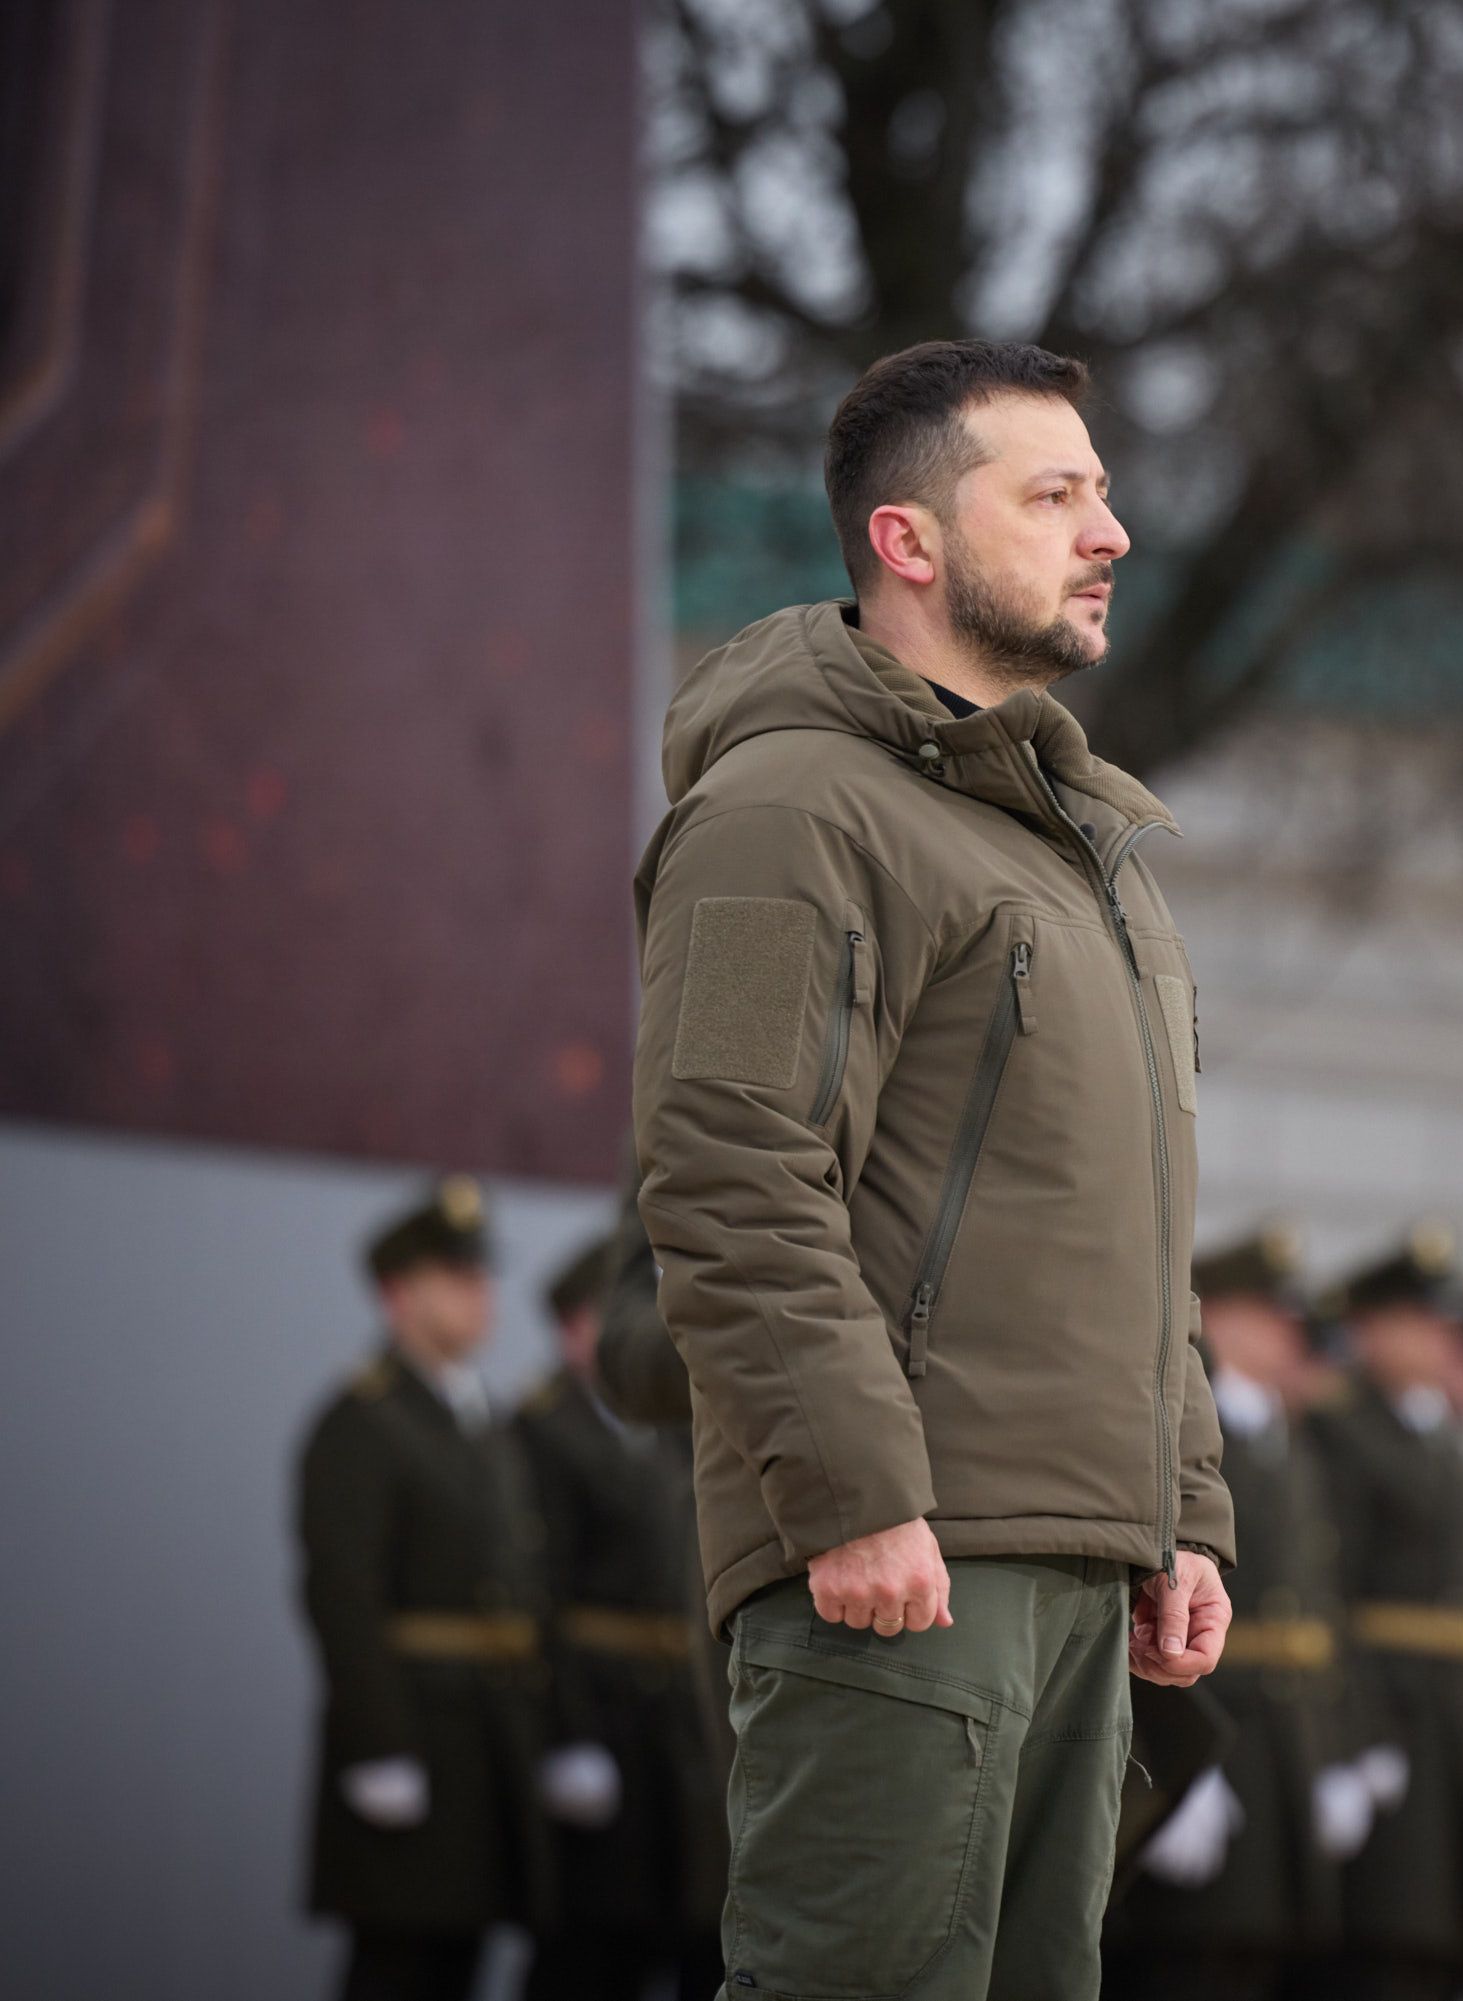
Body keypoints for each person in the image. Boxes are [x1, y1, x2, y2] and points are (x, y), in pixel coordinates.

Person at [632, 337, 1235, 2000]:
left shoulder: (1074, 850)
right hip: (902, 1561)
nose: (1109, 533)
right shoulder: (792, 807)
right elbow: (730, 1170)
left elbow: (1134, 1224)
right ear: (910, 542)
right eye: (1056, 496)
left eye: (1104, 494)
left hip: (1068, 1563)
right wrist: (848, 1490)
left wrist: (1181, 1511)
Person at [294, 1179, 566, 2001]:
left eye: (480, 1276)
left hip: (488, 1744)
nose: (479, 1295)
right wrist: (380, 1746)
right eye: (455, 1276)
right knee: (399, 1969)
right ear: (396, 1292)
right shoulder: (363, 1422)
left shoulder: (479, 1422)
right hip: (415, 1736)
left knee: (460, 1964)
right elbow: (342, 1597)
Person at [1109, 1226, 1363, 2000]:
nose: (1294, 1341)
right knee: (1182, 1961)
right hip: (1205, 1724)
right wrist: (1156, 1759)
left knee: (1259, 1959)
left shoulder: (1289, 1436)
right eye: (1276, 1318)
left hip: (1281, 1741)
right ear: (1218, 1315)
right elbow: (1137, 1598)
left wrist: (1335, 1748)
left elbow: (1320, 1606)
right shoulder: (1184, 1423)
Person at [1304, 1222, 1463, 2001]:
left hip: (1451, 1723)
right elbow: (1332, 1594)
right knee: (1383, 1939)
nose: (1441, 1341)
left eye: (1445, 1325)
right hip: (1385, 1714)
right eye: (1420, 1323)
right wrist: (1356, 1734)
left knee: (1450, 1946)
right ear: (1368, 1329)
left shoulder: (1447, 1440)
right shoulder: (1339, 1431)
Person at [515, 1234, 724, 2001]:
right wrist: (564, 1733)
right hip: (601, 1716)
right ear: (576, 1328)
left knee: (697, 1934)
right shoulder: (541, 1430)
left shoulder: (673, 1431)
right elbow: (536, 1593)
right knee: (595, 1952)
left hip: (675, 1726)